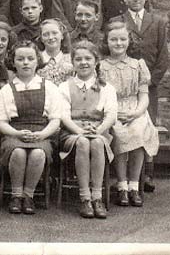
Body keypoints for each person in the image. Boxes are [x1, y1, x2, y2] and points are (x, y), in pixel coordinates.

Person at [110, 0, 168, 192]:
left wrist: (150, 80)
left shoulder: (158, 22)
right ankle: (121, 177)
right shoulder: (119, 21)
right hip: (124, 85)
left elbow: (163, 56)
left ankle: (147, 174)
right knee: (125, 128)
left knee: (146, 125)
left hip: (147, 87)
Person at [0, 40, 63, 215]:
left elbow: (55, 120)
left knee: (38, 153)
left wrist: (42, 135)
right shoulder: (6, 89)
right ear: (13, 62)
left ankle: (28, 196)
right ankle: (16, 196)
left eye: (30, 58)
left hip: (42, 133)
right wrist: (16, 133)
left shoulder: (49, 87)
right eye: (20, 59)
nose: (25, 62)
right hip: (14, 133)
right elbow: (2, 122)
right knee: (17, 152)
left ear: (37, 61)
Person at [100, 21, 159, 207]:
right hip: (111, 110)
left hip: (135, 109)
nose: (118, 43)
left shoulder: (138, 65)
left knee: (138, 131)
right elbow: (100, 96)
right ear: (107, 41)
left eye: (123, 39)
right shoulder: (101, 66)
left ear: (129, 40)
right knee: (117, 132)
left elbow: (144, 96)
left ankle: (134, 186)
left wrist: (136, 113)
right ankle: (122, 185)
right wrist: (113, 113)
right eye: (114, 39)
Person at [59, 41, 117, 219]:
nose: (83, 62)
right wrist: (79, 131)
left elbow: (111, 116)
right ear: (73, 62)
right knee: (84, 142)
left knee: (97, 143)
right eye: (78, 59)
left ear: (96, 61)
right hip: (72, 133)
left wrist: (98, 130)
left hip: (98, 131)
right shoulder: (64, 87)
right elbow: (63, 116)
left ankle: (97, 198)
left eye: (88, 58)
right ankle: (85, 198)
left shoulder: (107, 88)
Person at [36, 18, 74, 85]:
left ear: (62, 35)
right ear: (41, 38)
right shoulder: (36, 59)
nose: (50, 37)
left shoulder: (71, 59)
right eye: (46, 34)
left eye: (54, 33)